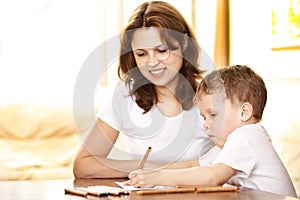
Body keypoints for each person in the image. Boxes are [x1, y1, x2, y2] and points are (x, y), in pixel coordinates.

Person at [73, 1, 214, 178]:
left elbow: (232, 162)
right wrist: (148, 167)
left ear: (184, 43)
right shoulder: (126, 95)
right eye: (141, 54)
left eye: (162, 50)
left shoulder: (211, 94)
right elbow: (83, 166)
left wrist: (154, 170)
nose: (152, 63)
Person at [126, 65, 297, 197]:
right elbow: (193, 165)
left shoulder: (247, 135)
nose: (206, 124)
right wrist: (152, 171)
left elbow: (213, 177)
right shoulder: (226, 145)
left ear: (244, 112)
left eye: (213, 115)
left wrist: (158, 177)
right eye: (204, 117)